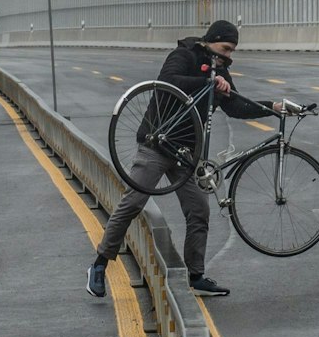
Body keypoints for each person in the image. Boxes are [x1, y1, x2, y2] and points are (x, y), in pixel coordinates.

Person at [86, 19, 286, 300]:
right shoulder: (183, 55)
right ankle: (99, 264)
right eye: (225, 48)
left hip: (185, 155)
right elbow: (168, 81)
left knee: (198, 211)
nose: (229, 55)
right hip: (157, 143)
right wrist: (207, 82)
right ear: (211, 41)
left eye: (232, 51)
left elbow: (236, 106)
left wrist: (273, 108)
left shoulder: (222, 74)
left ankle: (196, 276)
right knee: (133, 202)